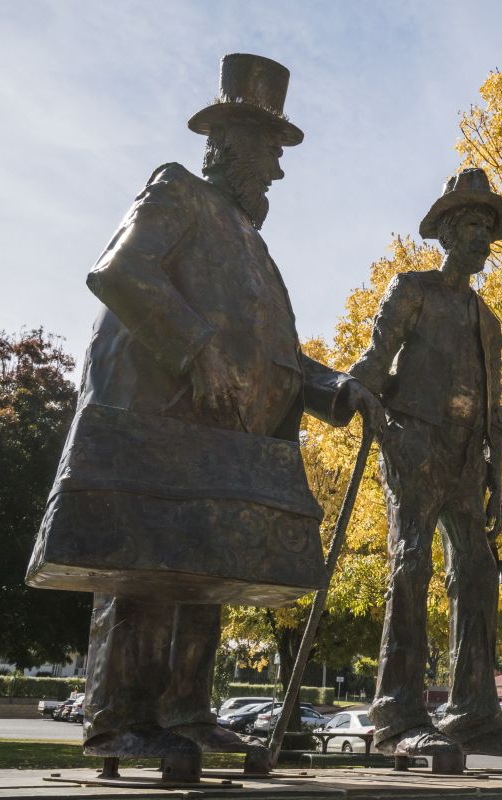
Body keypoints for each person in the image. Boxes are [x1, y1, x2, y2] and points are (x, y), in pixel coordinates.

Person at [27, 54, 382, 764]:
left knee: (205, 567)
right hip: (156, 415)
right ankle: (120, 721)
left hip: (227, 434)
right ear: (226, 144)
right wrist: (196, 348)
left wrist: (333, 389)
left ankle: (185, 711)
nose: (277, 173)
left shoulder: (253, 245)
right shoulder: (177, 192)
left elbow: (272, 354)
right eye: (268, 154)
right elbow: (121, 270)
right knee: (148, 564)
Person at [350, 168, 502, 770]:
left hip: (468, 458)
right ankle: (397, 714)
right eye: (471, 225)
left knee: (480, 575)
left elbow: (495, 410)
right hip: (414, 442)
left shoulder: (489, 322)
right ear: (448, 232)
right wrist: (386, 433)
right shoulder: (411, 290)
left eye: (488, 228)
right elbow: (368, 372)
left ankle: (474, 714)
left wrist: (497, 482)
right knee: (409, 563)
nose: (482, 239)